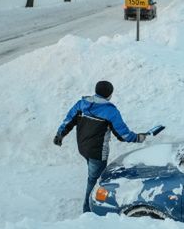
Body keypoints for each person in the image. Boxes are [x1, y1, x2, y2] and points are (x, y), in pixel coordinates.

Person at [53, 81, 147, 213]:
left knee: (92, 175)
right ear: (109, 94)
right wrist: (138, 137)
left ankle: (90, 206)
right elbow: (123, 134)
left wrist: (60, 134)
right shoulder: (110, 111)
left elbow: (68, 120)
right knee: (95, 180)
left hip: (83, 147)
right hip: (97, 152)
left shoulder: (82, 104)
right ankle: (88, 210)